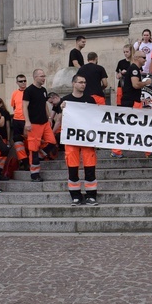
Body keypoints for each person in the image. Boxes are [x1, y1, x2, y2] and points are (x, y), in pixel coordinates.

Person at [61, 75, 99, 206]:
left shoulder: (90, 100)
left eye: (85, 82)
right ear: (73, 83)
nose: (83, 84)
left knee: (90, 167)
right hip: (71, 140)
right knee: (72, 168)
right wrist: (61, 109)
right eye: (80, 82)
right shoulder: (65, 100)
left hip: (87, 139)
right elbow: (58, 119)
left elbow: (96, 117)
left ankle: (91, 196)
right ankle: (75, 196)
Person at [111, 50, 152, 158]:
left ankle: (117, 150)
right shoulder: (134, 69)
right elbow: (135, 84)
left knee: (130, 126)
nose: (145, 60)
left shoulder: (134, 69)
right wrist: (146, 83)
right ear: (137, 58)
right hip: (132, 102)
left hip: (130, 101)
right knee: (137, 125)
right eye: (143, 57)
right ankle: (147, 151)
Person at [22, 69, 57, 181]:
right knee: (33, 149)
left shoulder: (43, 90)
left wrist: (49, 118)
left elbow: (44, 105)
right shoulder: (28, 91)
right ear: (35, 77)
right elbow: (24, 107)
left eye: (44, 76)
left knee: (52, 142)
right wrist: (27, 121)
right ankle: (34, 174)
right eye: (41, 76)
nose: (44, 78)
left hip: (44, 122)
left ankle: (40, 155)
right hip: (34, 123)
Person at [10, 74, 29, 170]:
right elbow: (13, 106)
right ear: (17, 83)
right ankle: (24, 161)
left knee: (29, 140)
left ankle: (31, 159)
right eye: (20, 81)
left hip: (28, 120)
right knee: (17, 140)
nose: (23, 83)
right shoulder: (14, 93)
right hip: (17, 119)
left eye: (24, 80)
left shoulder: (30, 92)